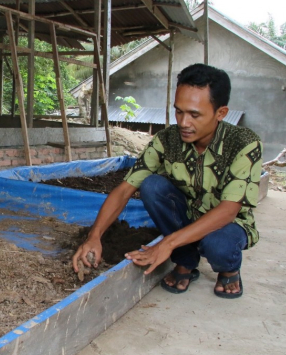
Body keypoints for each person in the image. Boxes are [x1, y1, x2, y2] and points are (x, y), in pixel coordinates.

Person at [72, 63, 262, 299]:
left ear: (220, 113)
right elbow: (124, 190)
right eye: (179, 111)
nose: (183, 122)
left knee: (219, 245)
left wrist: (166, 244)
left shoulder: (243, 143)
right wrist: (94, 236)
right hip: (186, 216)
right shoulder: (167, 140)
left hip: (228, 224)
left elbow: (228, 211)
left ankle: (229, 269)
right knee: (152, 185)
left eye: (194, 114)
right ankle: (186, 261)